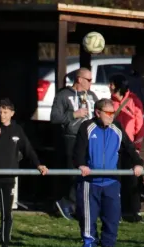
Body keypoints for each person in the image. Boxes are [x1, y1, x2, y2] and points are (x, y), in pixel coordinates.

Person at [72, 98, 144, 247]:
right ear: (98, 113)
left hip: (111, 181)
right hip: (90, 181)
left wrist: (138, 163)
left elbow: (130, 147)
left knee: (112, 215)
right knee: (87, 216)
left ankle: (108, 244)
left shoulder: (117, 128)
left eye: (113, 113)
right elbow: (78, 151)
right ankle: (89, 243)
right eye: (108, 113)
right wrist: (81, 165)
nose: (112, 116)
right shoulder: (87, 127)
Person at [0, 98, 48, 247]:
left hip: (9, 179)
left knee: (7, 213)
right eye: (0, 111)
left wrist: (38, 164)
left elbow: (28, 149)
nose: (2, 115)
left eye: (5, 112)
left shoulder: (17, 130)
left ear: (12, 113)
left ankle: (5, 244)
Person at [50, 67, 98, 220]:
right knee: (74, 172)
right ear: (79, 79)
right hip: (72, 137)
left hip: (90, 138)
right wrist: (73, 114)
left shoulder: (92, 95)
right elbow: (54, 117)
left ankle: (82, 206)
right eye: (89, 80)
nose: (91, 83)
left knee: (88, 172)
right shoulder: (64, 95)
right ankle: (67, 204)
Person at [109, 74, 144, 223]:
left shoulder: (134, 101)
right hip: (114, 146)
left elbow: (140, 126)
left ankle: (133, 212)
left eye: (111, 84)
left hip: (129, 146)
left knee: (132, 180)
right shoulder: (109, 102)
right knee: (115, 178)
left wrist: (137, 147)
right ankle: (117, 210)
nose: (109, 86)